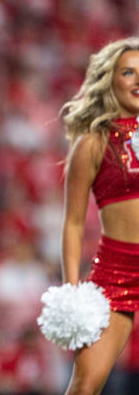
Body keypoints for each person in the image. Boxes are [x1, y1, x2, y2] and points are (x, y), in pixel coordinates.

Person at [60, 37, 139, 394]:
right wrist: (71, 289)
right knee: (86, 383)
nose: (138, 80)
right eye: (128, 72)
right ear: (111, 79)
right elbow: (74, 222)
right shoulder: (92, 143)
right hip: (116, 269)